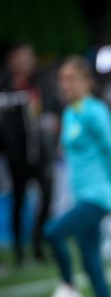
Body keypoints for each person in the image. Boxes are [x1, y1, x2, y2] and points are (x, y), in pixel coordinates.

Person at [43, 56, 111, 297]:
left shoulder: (95, 111)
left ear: (85, 81)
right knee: (92, 265)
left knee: (52, 232)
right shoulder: (70, 113)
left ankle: (68, 288)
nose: (64, 84)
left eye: (70, 79)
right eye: (62, 79)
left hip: (97, 197)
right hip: (81, 196)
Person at [0, 43, 58, 266]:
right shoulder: (6, 84)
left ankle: (38, 244)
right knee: (18, 200)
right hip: (17, 156)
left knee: (47, 196)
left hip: (42, 153)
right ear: (12, 61)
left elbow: (53, 107)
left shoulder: (42, 80)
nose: (25, 62)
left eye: (28, 57)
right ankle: (18, 252)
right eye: (20, 58)